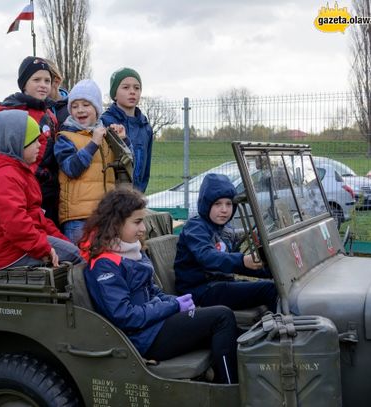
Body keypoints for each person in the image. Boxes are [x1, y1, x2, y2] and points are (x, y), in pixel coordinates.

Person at [81, 188, 239, 384]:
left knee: (230, 329)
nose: (143, 229)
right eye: (137, 222)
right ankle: (231, 389)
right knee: (222, 317)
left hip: (154, 325)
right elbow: (125, 316)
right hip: (143, 338)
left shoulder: (131, 251)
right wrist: (172, 306)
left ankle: (217, 384)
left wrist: (174, 301)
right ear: (115, 224)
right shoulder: (105, 265)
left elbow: (152, 291)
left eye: (143, 222)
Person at [0, 110, 83, 269]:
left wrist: (62, 241)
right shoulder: (4, 177)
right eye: (34, 141)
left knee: (74, 252)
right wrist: (44, 248)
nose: (40, 145)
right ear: (16, 143)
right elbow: (15, 225)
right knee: (77, 258)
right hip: (6, 253)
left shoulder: (18, 171)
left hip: (16, 247)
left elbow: (36, 217)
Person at [174, 173, 278, 312]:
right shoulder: (195, 228)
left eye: (229, 204)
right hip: (200, 291)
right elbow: (207, 256)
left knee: (277, 284)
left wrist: (271, 271)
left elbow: (233, 264)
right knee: (270, 290)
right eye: (217, 204)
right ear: (206, 204)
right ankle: (283, 330)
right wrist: (242, 260)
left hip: (221, 284)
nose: (224, 210)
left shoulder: (225, 230)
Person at [54, 79, 127, 243]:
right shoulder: (65, 138)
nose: (80, 110)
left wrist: (123, 141)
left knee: (104, 265)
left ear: (97, 109)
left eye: (86, 104)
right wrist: (93, 144)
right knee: (81, 265)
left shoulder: (106, 136)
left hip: (106, 215)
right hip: (78, 219)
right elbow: (71, 169)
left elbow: (125, 168)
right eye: (75, 106)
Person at [0, 56, 60, 226]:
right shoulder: (13, 114)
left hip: (48, 190)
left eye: (47, 80)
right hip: (23, 188)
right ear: (24, 84)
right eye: (36, 79)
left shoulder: (50, 115)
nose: (43, 85)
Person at [101, 67, 153, 193]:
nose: (132, 92)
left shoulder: (145, 127)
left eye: (136, 88)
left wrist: (140, 193)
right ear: (114, 93)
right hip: (112, 196)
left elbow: (146, 169)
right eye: (126, 87)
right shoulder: (105, 122)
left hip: (136, 197)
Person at [45, 58, 70, 125]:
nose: (40, 85)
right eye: (36, 80)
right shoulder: (36, 108)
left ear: (56, 81)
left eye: (46, 81)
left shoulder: (73, 106)